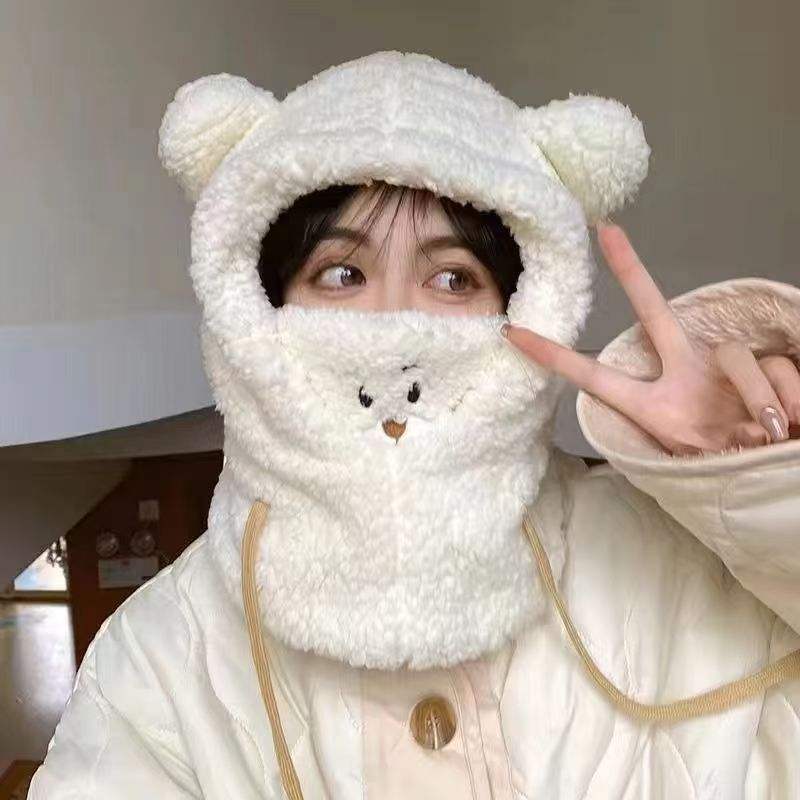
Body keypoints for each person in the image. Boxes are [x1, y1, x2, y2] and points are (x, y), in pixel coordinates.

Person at [29, 50, 800, 799]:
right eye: (343, 274)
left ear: (528, 301)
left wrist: (763, 488)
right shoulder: (161, 655)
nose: (394, 323)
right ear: (256, 307)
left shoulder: (678, 570)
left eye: (453, 278)